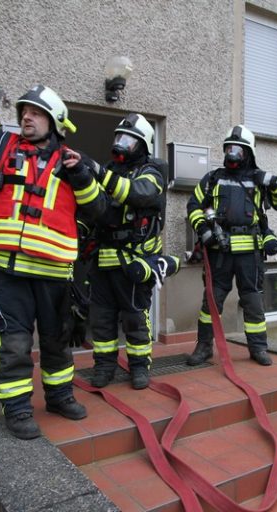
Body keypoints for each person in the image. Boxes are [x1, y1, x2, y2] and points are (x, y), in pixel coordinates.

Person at [0, 25, 106, 439]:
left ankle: (59, 396)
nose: (25, 118)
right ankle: (16, 408)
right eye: (22, 113)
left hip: (54, 274)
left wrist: (84, 175)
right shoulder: (1, 148)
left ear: (54, 122)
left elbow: (99, 210)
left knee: (56, 341)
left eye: (34, 113)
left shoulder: (76, 164)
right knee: (14, 343)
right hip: (8, 272)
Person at [185, 125, 277, 366]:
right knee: (211, 302)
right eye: (228, 149)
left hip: (249, 255)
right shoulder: (213, 178)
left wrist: (275, 183)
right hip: (218, 253)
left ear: (248, 153)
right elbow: (193, 206)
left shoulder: (259, 179)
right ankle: (203, 348)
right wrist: (203, 231)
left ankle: (258, 348)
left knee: (253, 302)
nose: (231, 154)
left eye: (238, 150)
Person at [87, 113, 179, 390]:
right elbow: (92, 208)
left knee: (135, 318)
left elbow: (137, 194)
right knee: (101, 321)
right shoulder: (108, 170)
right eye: (118, 138)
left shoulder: (152, 173)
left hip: (134, 262)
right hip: (103, 261)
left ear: (142, 145)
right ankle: (104, 366)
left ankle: (139, 367)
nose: (120, 144)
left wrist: (99, 174)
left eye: (128, 139)